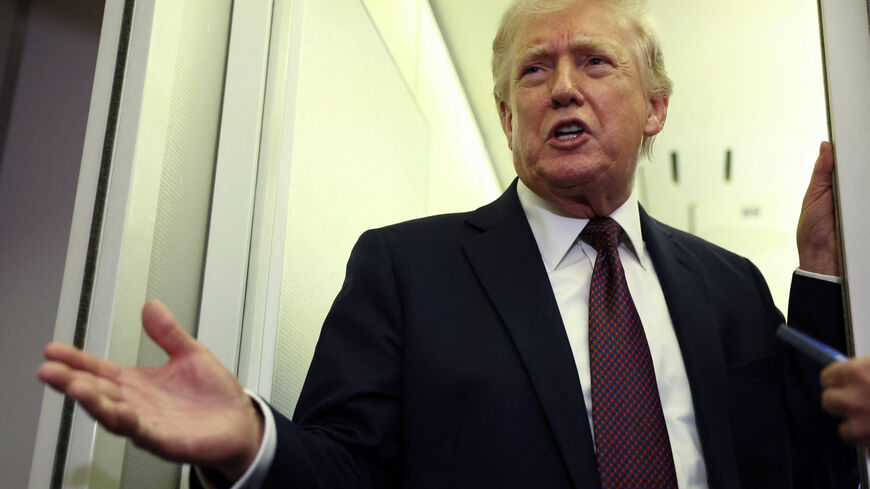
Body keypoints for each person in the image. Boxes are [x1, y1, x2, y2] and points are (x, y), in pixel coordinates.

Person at [38, 0, 858, 487]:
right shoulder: (406, 270)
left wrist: (821, 271)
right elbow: (349, 470)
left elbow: (807, 471)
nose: (563, 85)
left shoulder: (731, 285)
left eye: (595, 62)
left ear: (655, 108)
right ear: (507, 117)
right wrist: (258, 441)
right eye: (534, 72)